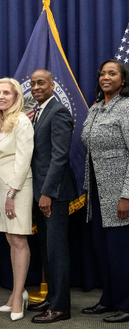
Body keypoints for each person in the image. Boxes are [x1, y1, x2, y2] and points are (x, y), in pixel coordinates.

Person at [81, 59, 129, 323]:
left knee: (120, 252)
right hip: (97, 193)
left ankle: (125, 303)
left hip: (120, 193)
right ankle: (109, 299)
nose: (105, 77)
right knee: (103, 249)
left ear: (123, 79)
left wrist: (127, 196)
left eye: (112, 73)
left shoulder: (127, 107)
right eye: (102, 73)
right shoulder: (97, 108)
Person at [27, 69, 76, 324]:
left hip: (52, 194)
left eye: (41, 83)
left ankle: (61, 307)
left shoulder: (58, 112)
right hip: (40, 193)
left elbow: (59, 157)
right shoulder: (39, 111)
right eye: (33, 83)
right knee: (47, 251)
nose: (36, 87)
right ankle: (53, 297)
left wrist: (46, 193)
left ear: (52, 85)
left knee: (57, 251)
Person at [0, 78, 34, 321]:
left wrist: (11, 194)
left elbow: (23, 160)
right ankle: (19, 292)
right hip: (2, 187)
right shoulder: (1, 122)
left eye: (7, 93)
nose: (1, 97)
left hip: (18, 186)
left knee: (18, 239)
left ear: (17, 97)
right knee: (10, 239)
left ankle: (17, 297)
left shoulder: (22, 121)